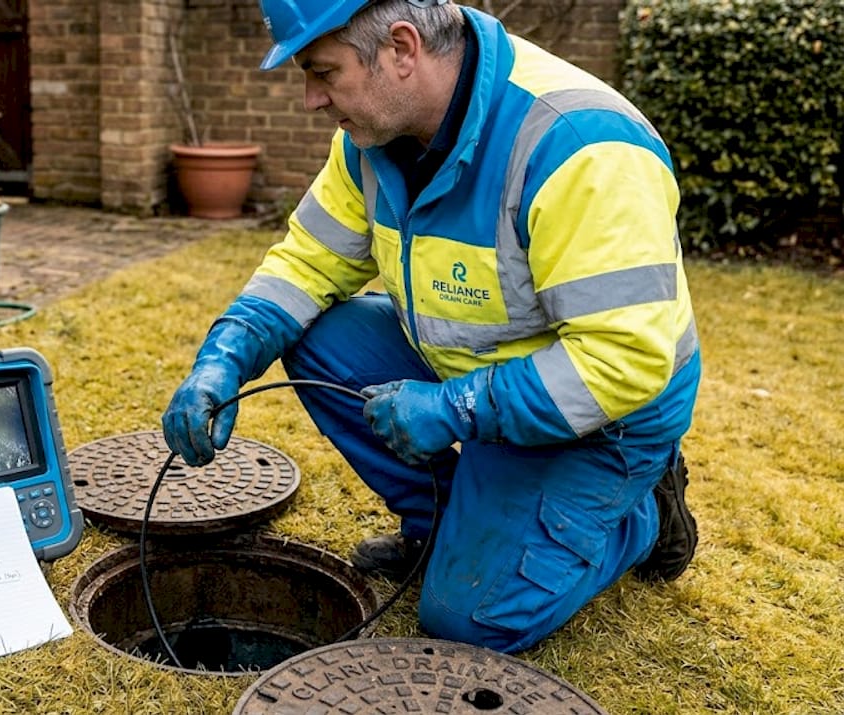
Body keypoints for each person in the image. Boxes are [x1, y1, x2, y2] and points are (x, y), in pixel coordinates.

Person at [161, 0, 701, 654]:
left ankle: (643, 510)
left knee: (471, 622)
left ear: (403, 47)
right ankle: (439, 523)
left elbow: (620, 361)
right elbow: (306, 263)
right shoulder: (373, 141)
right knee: (309, 334)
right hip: (476, 377)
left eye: (324, 72)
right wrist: (223, 357)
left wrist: (454, 408)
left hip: (604, 414)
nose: (310, 99)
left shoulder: (580, 144)